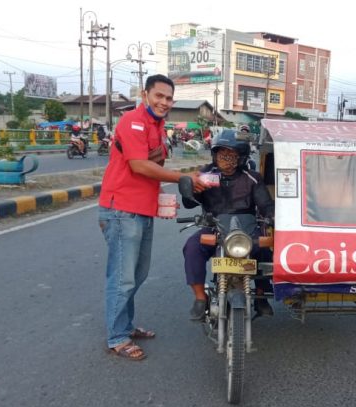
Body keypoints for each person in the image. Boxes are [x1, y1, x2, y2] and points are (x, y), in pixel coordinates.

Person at [98, 74, 207, 361]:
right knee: (122, 278)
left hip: (141, 209)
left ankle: (125, 326)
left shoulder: (157, 126)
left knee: (136, 275)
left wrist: (161, 198)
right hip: (122, 209)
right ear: (146, 95)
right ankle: (117, 337)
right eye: (159, 96)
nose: (164, 102)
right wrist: (182, 176)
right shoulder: (133, 121)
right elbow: (139, 166)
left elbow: (152, 169)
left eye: (169, 98)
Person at [183, 129, 275, 320]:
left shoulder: (252, 178)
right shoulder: (206, 174)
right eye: (222, 154)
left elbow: (266, 205)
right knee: (192, 247)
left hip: (247, 229)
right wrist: (195, 188)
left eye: (232, 155)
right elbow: (189, 202)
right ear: (214, 155)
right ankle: (200, 298)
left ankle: (260, 294)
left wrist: (273, 217)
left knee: (266, 247)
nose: (226, 159)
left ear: (241, 157)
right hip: (214, 227)